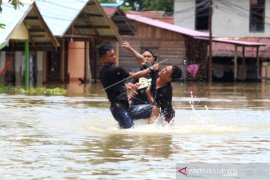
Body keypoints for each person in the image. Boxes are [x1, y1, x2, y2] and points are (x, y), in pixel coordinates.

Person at [98, 43, 159, 129]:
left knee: (154, 108)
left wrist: (127, 85)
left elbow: (115, 84)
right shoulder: (115, 69)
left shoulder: (102, 71)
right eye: (111, 56)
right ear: (103, 58)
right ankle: (150, 130)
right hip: (120, 109)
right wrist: (151, 69)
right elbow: (135, 76)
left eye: (114, 54)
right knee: (129, 132)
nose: (114, 57)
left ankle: (150, 130)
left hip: (122, 108)